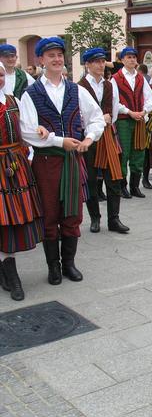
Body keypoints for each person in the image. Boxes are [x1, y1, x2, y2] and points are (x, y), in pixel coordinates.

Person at [19, 37, 105, 285]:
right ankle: (53, 267)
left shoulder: (76, 90)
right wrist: (59, 141)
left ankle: (69, 263)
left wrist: (89, 138)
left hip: (71, 161)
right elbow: (26, 131)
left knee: (72, 213)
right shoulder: (31, 93)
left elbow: (96, 118)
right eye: (50, 56)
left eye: (59, 55)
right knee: (49, 215)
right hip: (46, 162)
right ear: (40, 60)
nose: (56, 59)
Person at [0, 64, 45, 301]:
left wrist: (38, 131)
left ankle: (10, 272)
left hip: (14, 165)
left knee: (11, 219)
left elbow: (25, 129)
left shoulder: (13, 100)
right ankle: (9, 274)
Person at [77, 48, 129, 235]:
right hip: (89, 137)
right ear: (88, 65)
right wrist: (98, 121)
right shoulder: (80, 86)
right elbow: (79, 113)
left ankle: (114, 219)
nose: (100, 65)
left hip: (107, 134)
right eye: (96, 62)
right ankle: (95, 218)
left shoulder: (110, 84)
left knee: (114, 177)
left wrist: (109, 119)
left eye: (102, 61)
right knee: (91, 178)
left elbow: (114, 108)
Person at [111, 47, 152, 199]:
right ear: (122, 60)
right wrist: (129, 112)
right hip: (124, 121)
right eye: (128, 57)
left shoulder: (141, 78)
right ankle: (122, 186)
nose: (132, 60)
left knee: (139, 152)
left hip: (139, 120)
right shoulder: (115, 78)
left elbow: (150, 99)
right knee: (124, 153)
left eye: (134, 57)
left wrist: (144, 111)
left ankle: (135, 186)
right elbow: (114, 102)